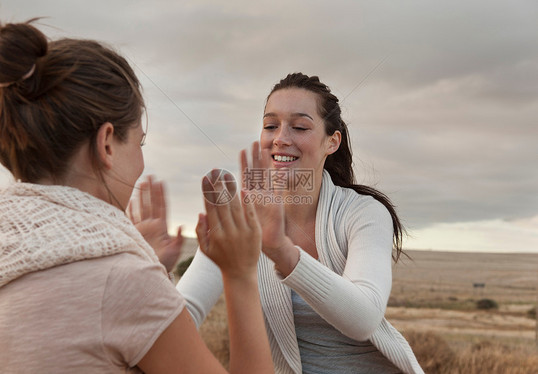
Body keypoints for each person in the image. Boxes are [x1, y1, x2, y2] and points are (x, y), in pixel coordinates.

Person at [0, 14, 274, 374]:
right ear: (106, 145)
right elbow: (110, 303)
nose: (142, 162)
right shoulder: (121, 280)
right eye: (139, 141)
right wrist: (240, 275)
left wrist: (146, 266)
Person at [176, 73, 424, 373]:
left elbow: (365, 318)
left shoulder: (363, 213)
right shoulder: (240, 220)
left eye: (300, 127)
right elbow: (181, 316)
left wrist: (281, 249)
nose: (281, 138)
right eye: (270, 126)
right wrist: (147, 266)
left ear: (331, 142)